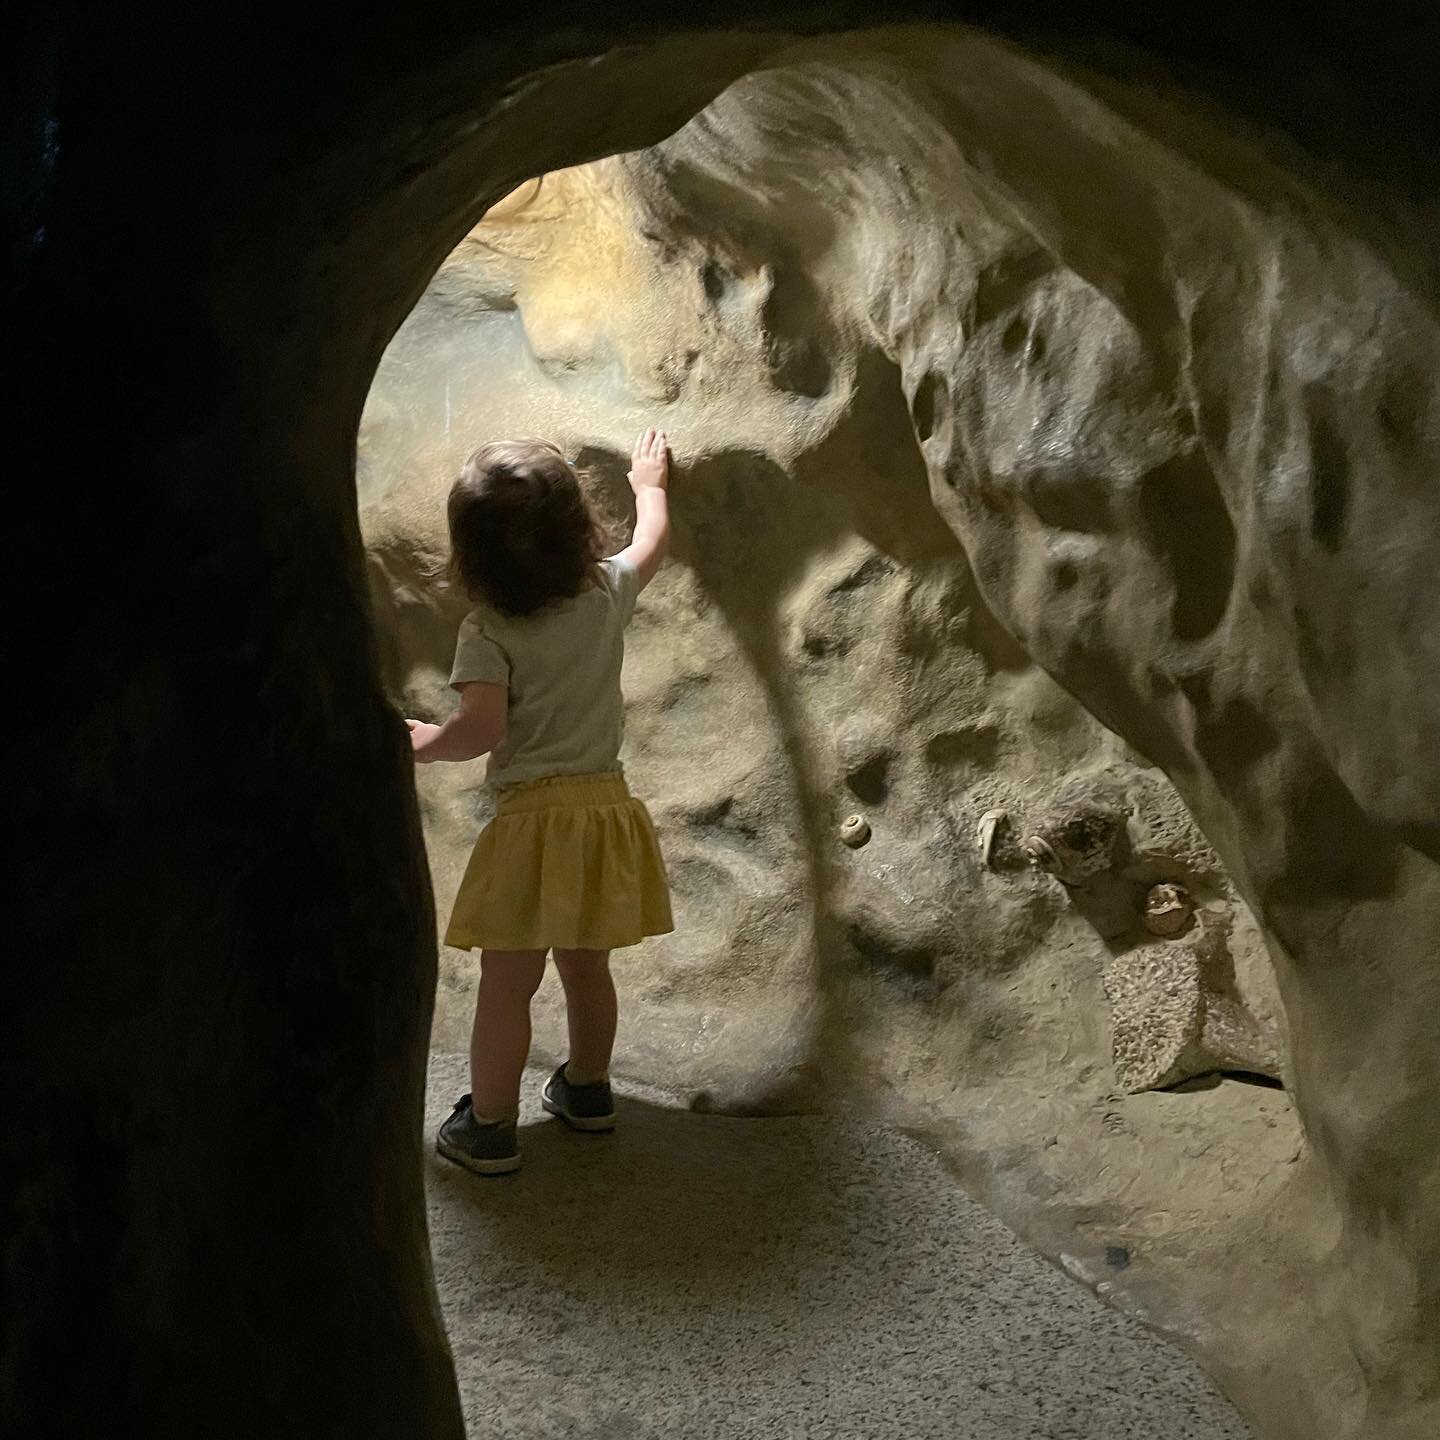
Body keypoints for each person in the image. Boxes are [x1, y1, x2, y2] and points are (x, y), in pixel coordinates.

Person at [406, 428, 674, 1175]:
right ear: (579, 525)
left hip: (532, 827)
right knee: (588, 969)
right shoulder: (605, 592)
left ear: (473, 554)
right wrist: (649, 480)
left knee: (507, 983)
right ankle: (588, 1090)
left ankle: (489, 1126)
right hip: (602, 812)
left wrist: (422, 741)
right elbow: (652, 538)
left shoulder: (487, 630)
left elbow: (480, 731)